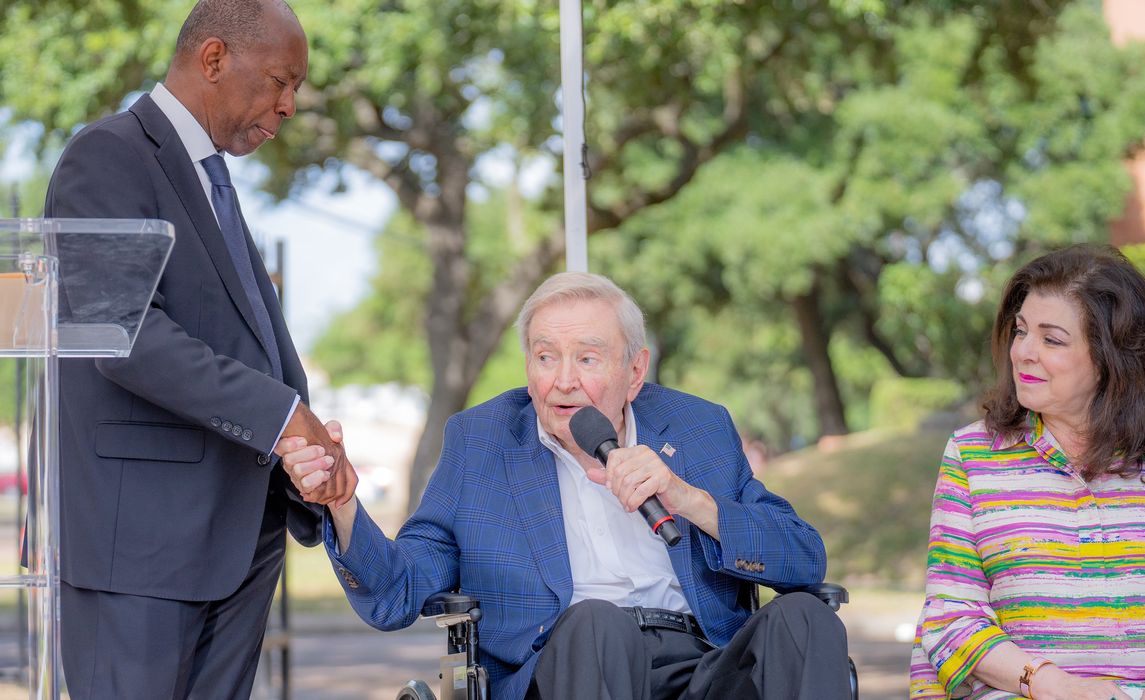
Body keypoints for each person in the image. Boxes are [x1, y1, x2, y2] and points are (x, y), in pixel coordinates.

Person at [277, 272, 853, 700]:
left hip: (702, 668)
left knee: (805, 616)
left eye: (587, 358)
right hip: (567, 669)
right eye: (545, 356)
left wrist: (689, 499)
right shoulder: (482, 444)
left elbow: (803, 558)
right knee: (599, 621)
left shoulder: (698, 429)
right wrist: (345, 506)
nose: (562, 381)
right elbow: (398, 591)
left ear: (635, 372)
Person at [43, 1, 355, 697]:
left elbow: (248, 342)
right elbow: (121, 335)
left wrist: (303, 449)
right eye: (281, 80)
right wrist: (280, 417)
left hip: (240, 542)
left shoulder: (213, 180)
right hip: (143, 557)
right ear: (213, 59)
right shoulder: (109, 155)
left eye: (296, 89)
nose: (289, 106)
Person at [909, 245, 1145, 700]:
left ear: (1112, 358)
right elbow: (951, 613)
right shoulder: (972, 454)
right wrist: (1048, 684)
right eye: (1022, 330)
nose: (1023, 352)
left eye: (1052, 339)